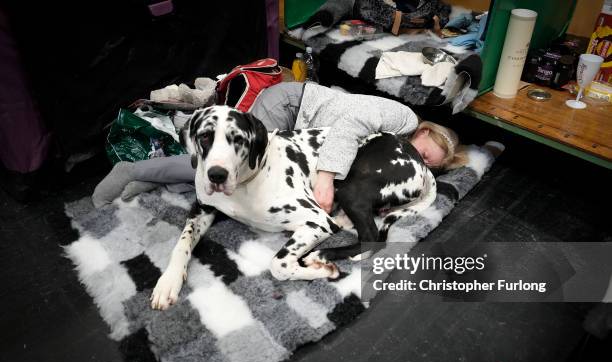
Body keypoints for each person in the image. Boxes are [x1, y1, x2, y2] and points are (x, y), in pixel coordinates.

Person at [93, 82, 466, 211]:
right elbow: (349, 126)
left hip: (299, 127)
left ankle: (159, 179)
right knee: (231, 166)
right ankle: (133, 170)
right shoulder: (403, 118)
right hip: (292, 106)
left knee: (231, 176)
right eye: (425, 155)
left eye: (428, 167)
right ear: (424, 134)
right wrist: (325, 178)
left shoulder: (398, 146)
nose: (420, 163)